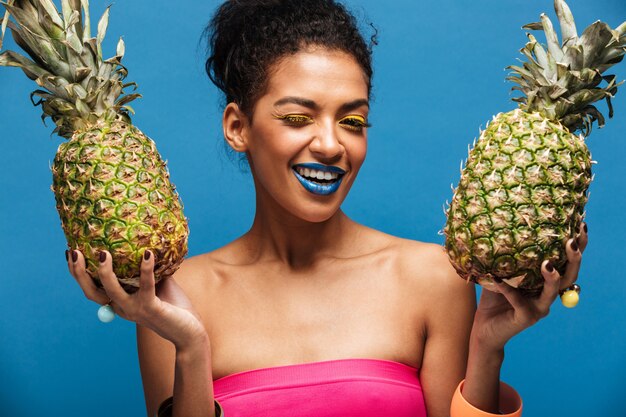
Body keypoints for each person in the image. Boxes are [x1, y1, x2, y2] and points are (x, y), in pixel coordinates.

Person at [65, 1, 587, 416]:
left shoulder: (436, 277)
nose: (332, 145)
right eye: (297, 117)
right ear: (238, 127)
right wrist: (190, 346)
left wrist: (488, 348)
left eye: (353, 121)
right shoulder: (173, 298)